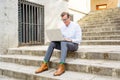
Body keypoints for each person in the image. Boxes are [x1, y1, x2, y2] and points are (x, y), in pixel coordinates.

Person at [35, 12, 82, 76]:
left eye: (65, 19)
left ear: (69, 18)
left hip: (74, 45)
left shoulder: (76, 26)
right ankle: (44, 64)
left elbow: (79, 40)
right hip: (64, 44)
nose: (64, 21)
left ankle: (62, 66)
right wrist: (55, 38)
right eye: (63, 20)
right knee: (52, 43)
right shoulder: (62, 27)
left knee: (63, 42)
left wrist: (70, 40)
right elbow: (61, 37)